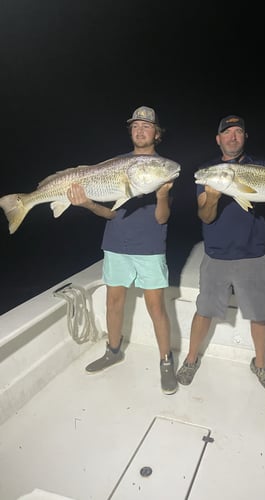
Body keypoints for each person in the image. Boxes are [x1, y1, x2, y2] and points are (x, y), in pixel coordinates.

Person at [176, 114, 265, 390]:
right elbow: (205, 216)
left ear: (244, 137)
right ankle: (190, 359)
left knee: (260, 315)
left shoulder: (263, 167)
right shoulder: (208, 170)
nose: (233, 136)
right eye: (228, 132)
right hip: (217, 255)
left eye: (239, 132)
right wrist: (211, 196)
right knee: (204, 310)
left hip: (254, 254)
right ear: (218, 139)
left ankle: (261, 365)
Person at [67, 106, 178, 395]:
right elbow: (111, 214)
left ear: (156, 133)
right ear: (131, 131)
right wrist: (88, 203)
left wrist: (163, 194)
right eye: (136, 126)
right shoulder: (117, 164)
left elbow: (162, 217)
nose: (141, 131)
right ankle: (113, 351)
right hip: (116, 243)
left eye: (147, 126)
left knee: (157, 307)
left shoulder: (161, 167)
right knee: (113, 303)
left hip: (150, 246)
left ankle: (166, 361)